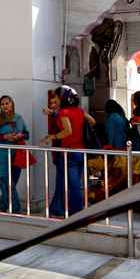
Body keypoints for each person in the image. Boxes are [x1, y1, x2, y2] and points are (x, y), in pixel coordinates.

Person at [46, 86, 85, 217]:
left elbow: (68, 131)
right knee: (76, 184)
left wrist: (53, 136)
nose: (55, 100)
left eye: (56, 97)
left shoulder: (64, 113)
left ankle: (77, 214)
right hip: (81, 152)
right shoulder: (79, 111)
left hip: (69, 152)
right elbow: (92, 121)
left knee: (73, 185)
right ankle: (66, 209)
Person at [0, 94, 29, 213]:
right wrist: (5, 136)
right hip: (1, 155)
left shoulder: (19, 118)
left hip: (17, 154)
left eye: (7, 103)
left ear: (12, 104)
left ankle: (2, 206)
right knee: (5, 180)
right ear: (0, 106)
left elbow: (27, 134)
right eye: (2, 104)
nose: (5, 106)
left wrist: (20, 135)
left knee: (12, 182)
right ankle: (16, 209)